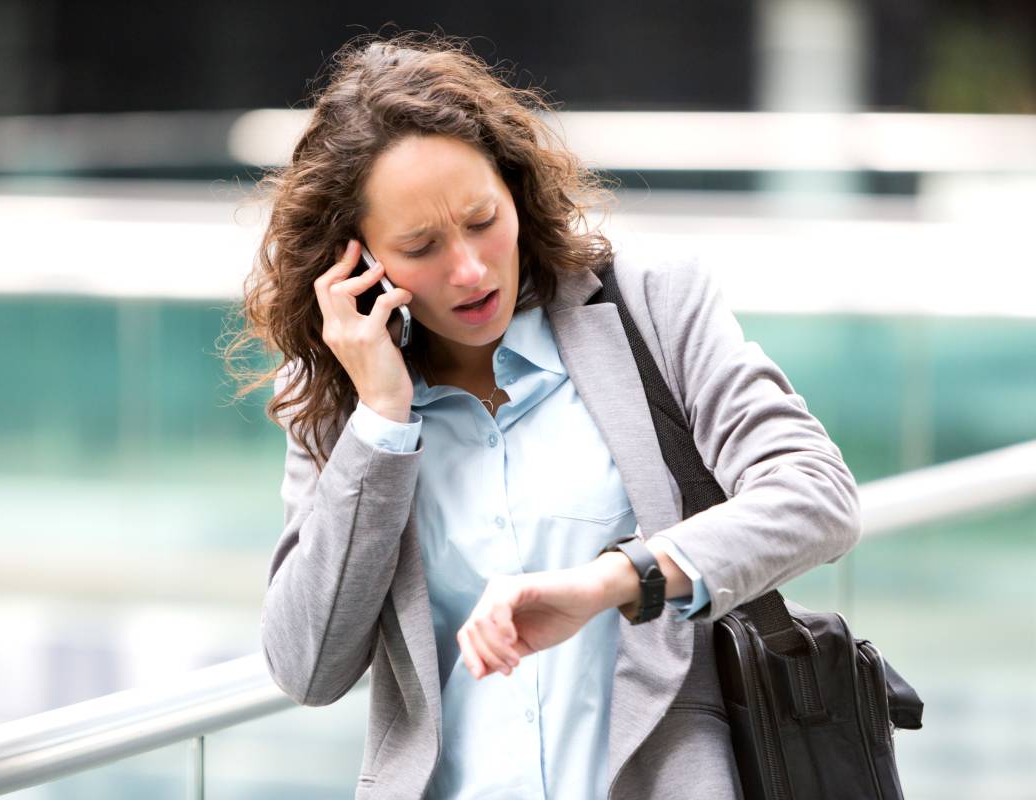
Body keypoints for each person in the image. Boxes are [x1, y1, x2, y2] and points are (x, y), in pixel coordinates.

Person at [228, 32, 861, 800]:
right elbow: (308, 667)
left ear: (516, 190)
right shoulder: (343, 404)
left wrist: (616, 580)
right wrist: (383, 421)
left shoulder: (651, 307)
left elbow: (816, 495)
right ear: (355, 263)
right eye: (422, 245)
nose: (468, 269)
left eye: (482, 219)